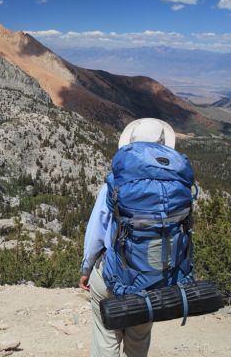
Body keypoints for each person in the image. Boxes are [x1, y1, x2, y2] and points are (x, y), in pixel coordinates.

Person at [79, 118, 177, 357]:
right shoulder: (176, 187)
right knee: (138, 343)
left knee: (106, 340)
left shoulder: (115, 183)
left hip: (112, 275)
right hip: (153, 277)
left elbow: (96, 233)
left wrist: (86, 268)